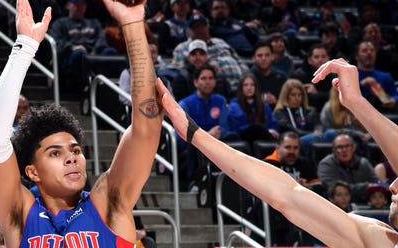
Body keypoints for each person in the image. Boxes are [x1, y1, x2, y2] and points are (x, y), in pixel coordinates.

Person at [0, 0, 161, 246]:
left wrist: (132, 24)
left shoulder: (107, 202)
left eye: (75, 150)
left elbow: (145, 130)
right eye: (55, 153)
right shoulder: (21, 213)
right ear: (32, 172)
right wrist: (25, 47)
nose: (71, 158)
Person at [154, 57, 398, 246]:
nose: (392, 186)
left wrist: (358, 104)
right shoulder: (377, 239)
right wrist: (195, 135)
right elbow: (286, 194)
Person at [49, 0, 117, 92]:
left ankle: (106, 89)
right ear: (68, 5)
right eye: (76, 3)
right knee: (79, 54)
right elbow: (57, 42)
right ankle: (81, 88)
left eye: (82, 4)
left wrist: (94, 51)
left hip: (93, 54)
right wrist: (72, 47)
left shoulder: (94, 23)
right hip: (71, 56)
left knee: (110, 52)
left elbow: (101, 39)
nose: (79, 7)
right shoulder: (60, 24)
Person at [262, 131, 320, 246]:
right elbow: (269, 189)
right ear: (278, 148)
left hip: (302, 209)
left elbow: (318, 186)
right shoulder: (268, 163)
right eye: (288, 147)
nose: (292, 152)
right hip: (275, 212)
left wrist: (307, 187)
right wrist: (294, 187)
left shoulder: (304, 163)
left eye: (295, 148)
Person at [178, 65, 226, 189]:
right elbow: (182, 133)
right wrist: (207, 135)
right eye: (203, 78)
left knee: (233, 138)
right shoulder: (185, 103)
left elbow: (225, 127)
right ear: (195, 82)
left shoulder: (220, 101)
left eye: (210, 78)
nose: (207, 82)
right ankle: (195, 183)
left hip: (218, 141)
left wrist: (214, 135)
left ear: (215, 82)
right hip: (194, 145)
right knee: (193, 144)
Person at [317, 133, 377, 203]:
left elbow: (375, 184)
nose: (344, 150)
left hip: (366, 204)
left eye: (347, 146)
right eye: (340, 147)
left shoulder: (363, 163)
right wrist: (365, 187)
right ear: (334, 150)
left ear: (354, 148)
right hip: (337, 206)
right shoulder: (326, 164)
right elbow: (336, 189)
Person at [221, 73, 279, 142]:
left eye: (252, 85)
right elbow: (237, 128)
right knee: (256, 128)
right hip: (243, 139)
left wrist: (273, 130)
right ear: (241, 88)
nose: (249, 88)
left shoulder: (264, 106)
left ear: (256, 87)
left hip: (263, 139)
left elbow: (273, 124)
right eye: (245, 85)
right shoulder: (234, 106)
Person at [274, 79, 322, 158]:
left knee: (330, 134)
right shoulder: (280, 112)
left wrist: (318, 130)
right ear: (286, 96)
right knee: (314, 138)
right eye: (293, 95)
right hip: (293, 141)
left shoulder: (310, 110)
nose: (297, 98)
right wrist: (313, 134)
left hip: (312, 136)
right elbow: (293, 131)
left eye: (300, 95)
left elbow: (318, 124)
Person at [355, 40, 398, 111]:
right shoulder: (351, 76)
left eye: (372, 50)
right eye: (364, 51)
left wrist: (393, 100)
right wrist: (361, 85)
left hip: (383, 114)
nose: (369, 52)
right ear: (357, 56)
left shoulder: (386, 76)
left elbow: (395, 95)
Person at [291, 43, 334, 110]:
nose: (320, 59)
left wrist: (316, 94)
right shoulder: (299, 76)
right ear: (309, 60)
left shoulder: (333, 76)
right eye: (316, 57)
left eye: (323, 56)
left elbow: (337, 97)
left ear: (328, 59)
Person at [250, 41, 287, 107]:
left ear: (272, 57)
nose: (264, 58)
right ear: (253, 58)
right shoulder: (248, 78)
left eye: (267, 55)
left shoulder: (281, 77)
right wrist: (262, 98)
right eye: (260, 55)